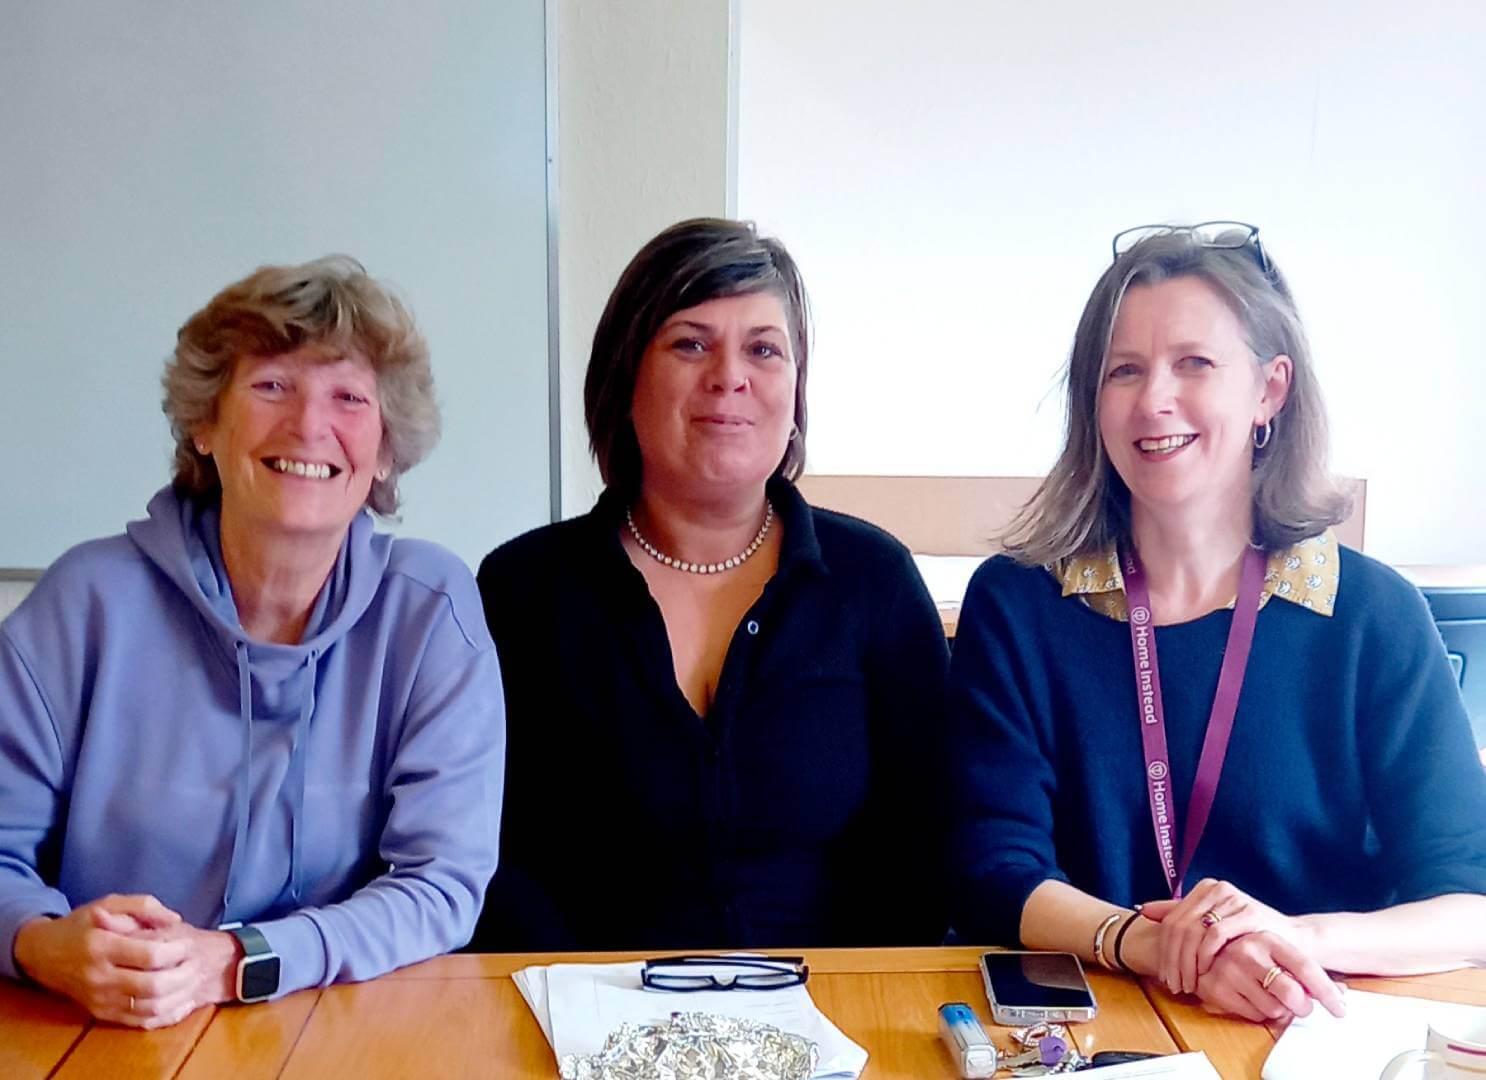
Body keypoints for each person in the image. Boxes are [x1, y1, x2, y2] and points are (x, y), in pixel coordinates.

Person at [944, 223, 1486, 1023]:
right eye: (1124, 370)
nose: (1153, 399)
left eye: (1194, 363)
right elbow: (992, 869)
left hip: (1308, 1022)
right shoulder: (1019, 604)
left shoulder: (1371, 614)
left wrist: (1287, 938)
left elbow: (1469, 902)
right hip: (1092, 1028)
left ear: (1270, 390)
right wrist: (1156, 944)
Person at [0, 256, 504, 1027]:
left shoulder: (430, 611)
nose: (308, 425)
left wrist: (239, 962)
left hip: (338, 1027)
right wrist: (41, 944)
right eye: (271, 385)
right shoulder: (84, 601)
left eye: (348, 397)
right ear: (205, 424)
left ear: (386, 448)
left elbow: (441, 885)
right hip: (104, 1027)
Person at [472, 218, 948, 951]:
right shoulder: (522, 590)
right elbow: (491, 853)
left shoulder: (873, 580)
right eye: (691, 344)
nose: (730, 376)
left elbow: (928, 839)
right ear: (625, 378)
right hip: (577, 1003)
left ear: (795, 392)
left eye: (764, 349)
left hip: (832, 1005)